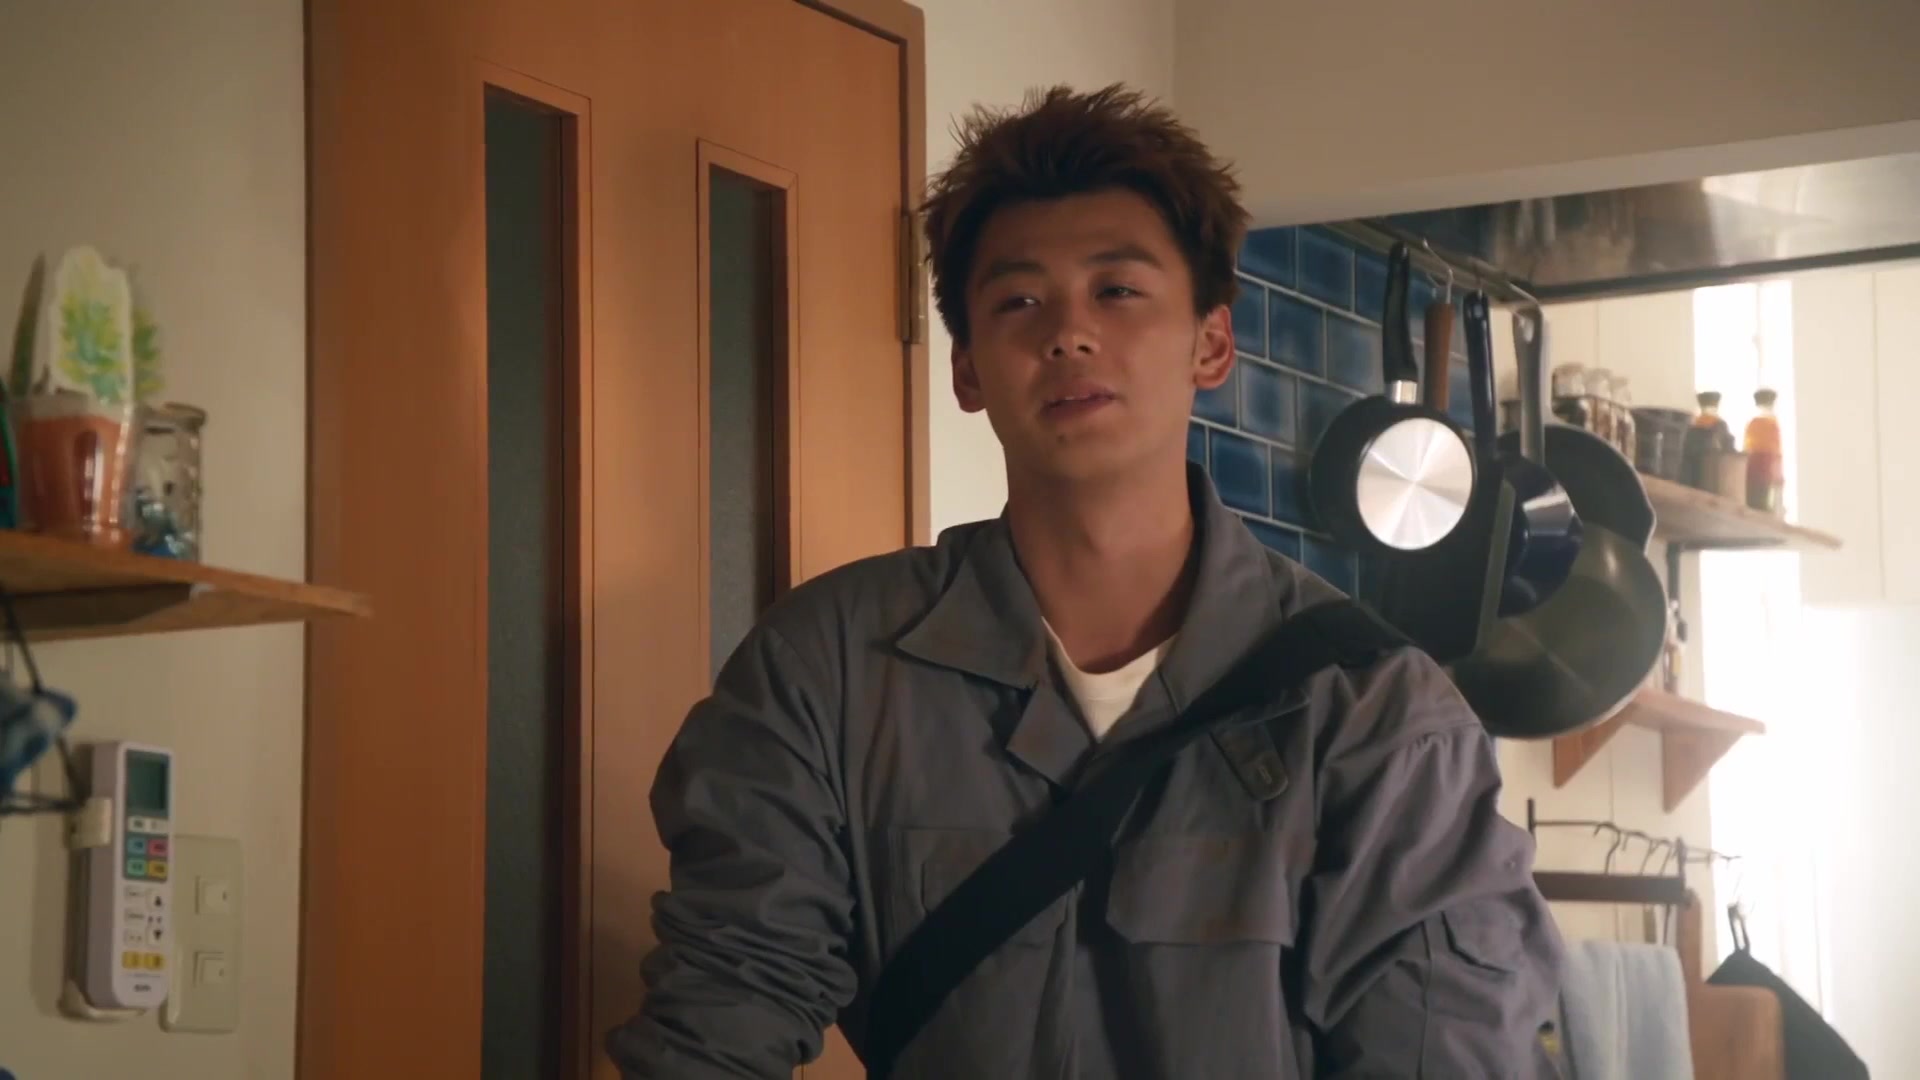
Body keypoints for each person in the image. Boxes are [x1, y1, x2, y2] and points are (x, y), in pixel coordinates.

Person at [607, 84, 1563, 1078]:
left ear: (1211, 344)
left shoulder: (1372, 709)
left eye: (1118, 291)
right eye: (1019, 301)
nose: (1067, 333)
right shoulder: (829, 669)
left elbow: (1447, 1049)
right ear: (966, 370)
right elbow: (723, 1012)